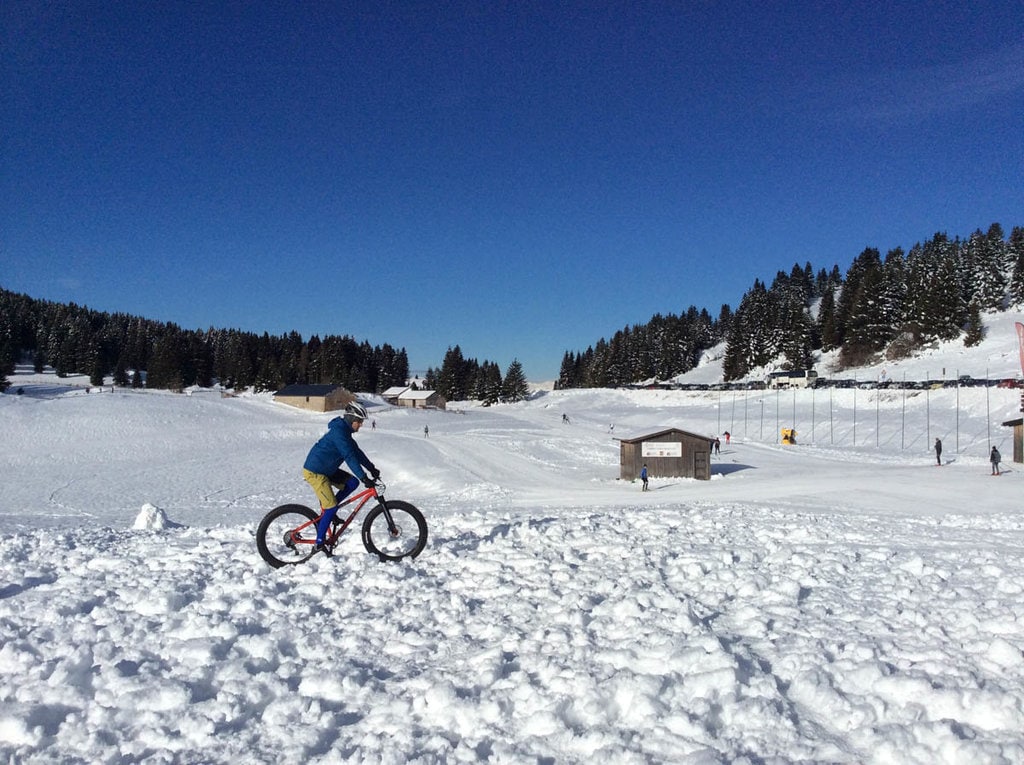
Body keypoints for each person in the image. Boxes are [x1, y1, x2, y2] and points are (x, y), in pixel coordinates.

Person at [302, 401, 379, 553]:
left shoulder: (345, 433)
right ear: (352, 420)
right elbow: (349, 456)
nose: (361, 425)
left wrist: (371, 468)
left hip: (327, 470)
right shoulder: (340, 434)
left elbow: (356, 452)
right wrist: (364, 477)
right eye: (360, 422)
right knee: (331, 506)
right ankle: (319, 543)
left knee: (351, 483)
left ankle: (330, 513)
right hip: (316, 472)